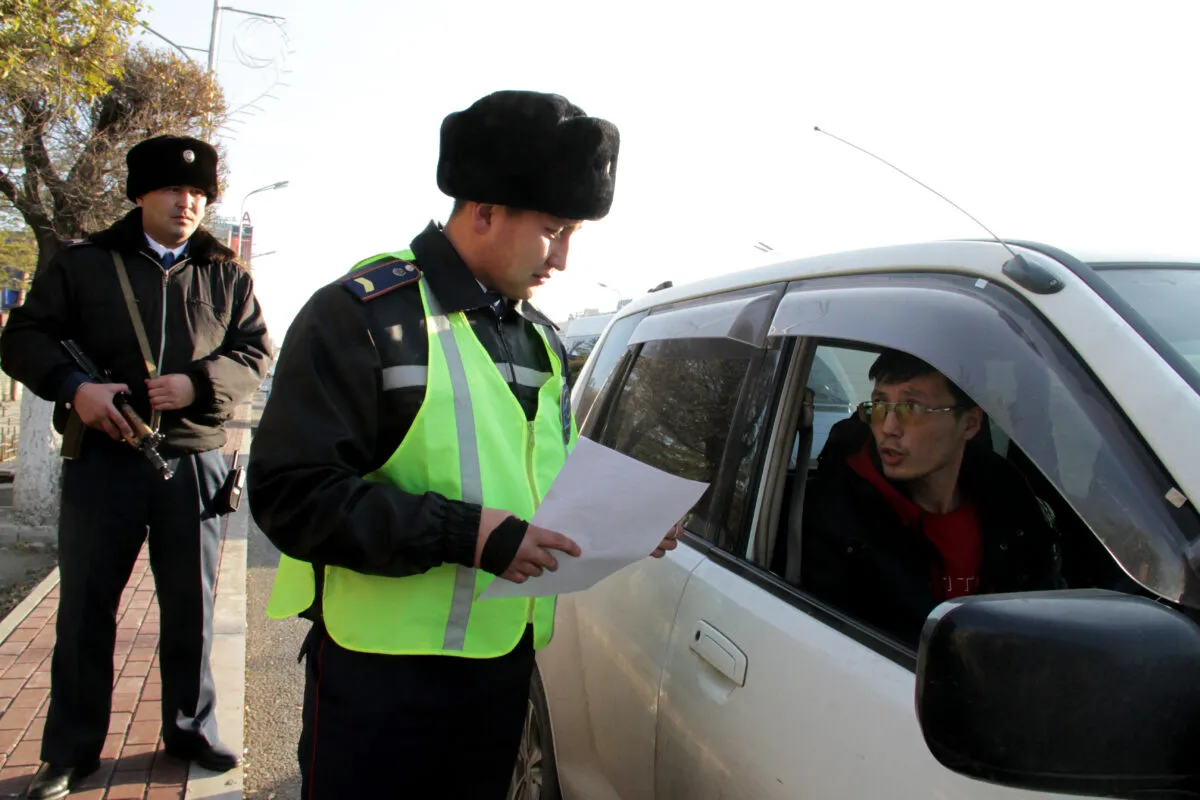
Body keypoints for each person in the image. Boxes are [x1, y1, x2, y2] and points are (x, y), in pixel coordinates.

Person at [248, 90, 677, 798]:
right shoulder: (363, 316)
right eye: (552, 231)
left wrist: (629, 519)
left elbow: (539, 476)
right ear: (482, 211)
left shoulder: (534, 334)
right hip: (382, 682)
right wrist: (468, 535)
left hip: (500, 665)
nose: (563, 259)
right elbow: (292, 495)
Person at [0, 135, 270, 799]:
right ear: (140, 194)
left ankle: (189, 726)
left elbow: (255, 353)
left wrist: (199, 384)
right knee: (86, 608)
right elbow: (24, 339)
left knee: (191, 608)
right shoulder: (83, 264)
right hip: (104, 461)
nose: (187, 203)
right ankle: (69, 751)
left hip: (196, 462)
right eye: (173, 190)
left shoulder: (226, 272)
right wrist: (74, 389)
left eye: (199, 193)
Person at [800, 349, 1062, 646]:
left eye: (911, 408)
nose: (888, 428)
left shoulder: (1011, 504)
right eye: (879, 405)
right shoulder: (839, 518)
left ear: (969, 424)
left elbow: (1047, 618)